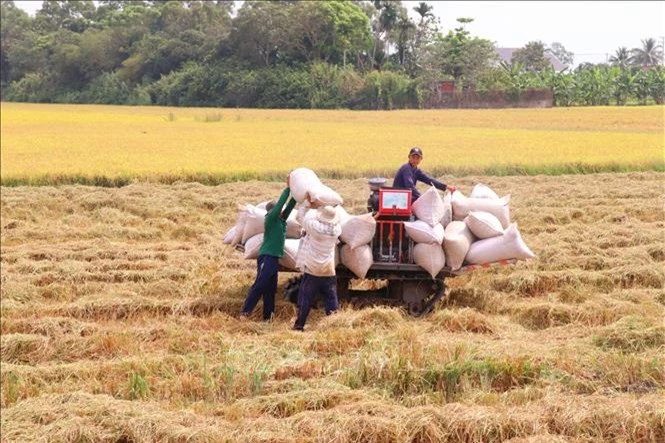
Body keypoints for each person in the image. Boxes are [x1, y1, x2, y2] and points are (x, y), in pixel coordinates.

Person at [239, 175, 297, 322]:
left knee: (270, 289)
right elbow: (281, 204)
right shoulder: (270, 219)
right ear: (273, 211)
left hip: (274, 257)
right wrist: (288, 187)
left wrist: (296, 194)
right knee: (261, 283)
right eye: (279, 209)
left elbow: (289, 206)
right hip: (267, 256)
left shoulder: (281, 220)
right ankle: (245, 313)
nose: (281, 211)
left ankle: (268, 318)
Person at [292, 205, 342, 331]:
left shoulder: (314, 227)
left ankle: (299, 326)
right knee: (331, 299)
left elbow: (300, 217)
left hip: (313, 269)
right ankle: (334, 326)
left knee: (306, 299)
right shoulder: (337, 230)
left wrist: (309, 204)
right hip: (328, 270)